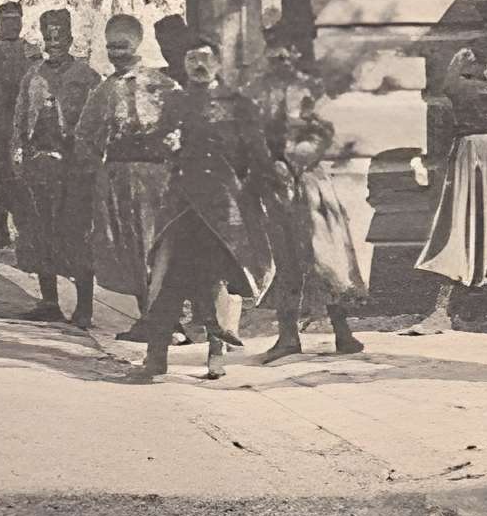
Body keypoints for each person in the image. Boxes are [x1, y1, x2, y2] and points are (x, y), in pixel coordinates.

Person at [128, 22, 275, 384]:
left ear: (219, 64)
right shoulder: (175, 101)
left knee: (215, 281)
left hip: (223, 209)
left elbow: (257, 154)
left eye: (205, 59)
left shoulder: (237, 105)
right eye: (191, 59)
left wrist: (254, 193)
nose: (198, 66)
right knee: (169, 278)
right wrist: (163, 143)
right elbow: (154, 143)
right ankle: (156, 355)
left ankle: (216, 353)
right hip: (181, 206)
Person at [406, 30, 487, 336]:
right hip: (472, 151)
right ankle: (441, 312)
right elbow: (451, 91)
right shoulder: (463, 73)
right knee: (461, 226)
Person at [255, 30, 366, 364]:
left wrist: (298, 159)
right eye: (272, 53)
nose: (278, 59)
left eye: (284, 52)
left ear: (294, 53)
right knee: (286, 259)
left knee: (325, 257)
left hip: (310, 183)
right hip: (275, 185)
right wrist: (268, 164)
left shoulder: (308, 91)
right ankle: (288, 336)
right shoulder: (258, 92)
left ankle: (342, 331)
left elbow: (324, 132)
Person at [74, 14, 179, 340]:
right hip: (118, 181)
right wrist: (100, 171)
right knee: (130, 250)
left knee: (157, 248)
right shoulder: (104, 90)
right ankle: (149, 316)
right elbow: (85, 136)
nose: (117, 53)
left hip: (158, 179)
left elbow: (182, 128)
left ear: (137, 45)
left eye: (123, 46)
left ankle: (167, 320)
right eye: (111, 47)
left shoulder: (162, 85)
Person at [10, 8, 101, 327]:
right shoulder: (32, 76)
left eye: (60, 39)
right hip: (40, 167)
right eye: (49, 39)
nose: (54, 44)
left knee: (75, 235)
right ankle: (49, 302)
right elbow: (20, 120)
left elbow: (97, 126)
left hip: (74, 171)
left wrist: (83, 161)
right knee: (40, 234)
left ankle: (85, 308)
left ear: (72, 39)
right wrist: (19, 156)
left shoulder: (87, 77)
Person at [0, 0, 40, 253]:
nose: (11, 25)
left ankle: (27, 236)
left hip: (24, 128)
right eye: (6, 20)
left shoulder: (32, 52)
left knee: (22, 182)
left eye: (15, 20)